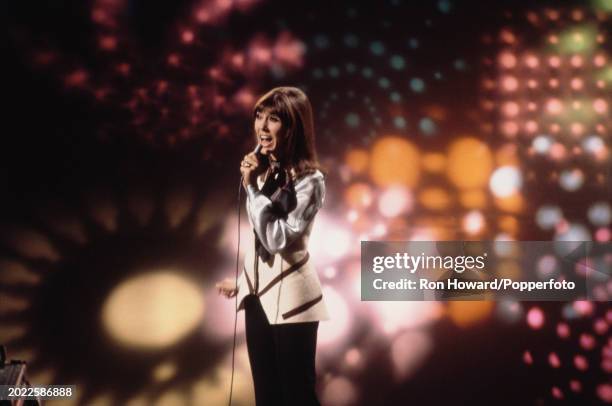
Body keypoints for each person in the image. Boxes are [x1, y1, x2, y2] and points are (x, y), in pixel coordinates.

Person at [216, 86, 328, 406]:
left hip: (294, 300)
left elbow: (278, 239)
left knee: (296, 393)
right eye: (259, 117)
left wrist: (252, 190)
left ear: (292, 127)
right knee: (266, 393)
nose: (262, 127)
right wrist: (241, 283)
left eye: (273, 119)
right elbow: (258, 242)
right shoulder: (266, 173)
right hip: (259, 300)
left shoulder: (310, 180)